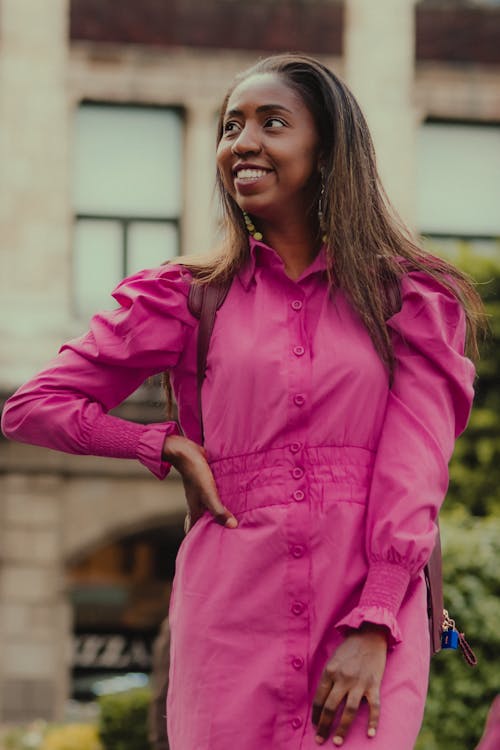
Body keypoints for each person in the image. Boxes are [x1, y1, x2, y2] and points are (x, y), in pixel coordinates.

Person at [1, 54, 486, 749]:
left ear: (326, 151)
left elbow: (416, 466)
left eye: (272, 122)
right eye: (232, 126)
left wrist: (378, 618)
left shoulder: (404, 299)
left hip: (367, 613)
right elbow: (33, 407)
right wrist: (160, 444)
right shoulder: (187, 295)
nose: (242, 142)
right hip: (229, 614)